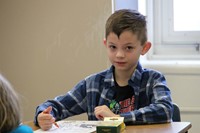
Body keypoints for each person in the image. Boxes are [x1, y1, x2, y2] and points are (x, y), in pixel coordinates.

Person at [34, 9, 173, 131]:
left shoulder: (153, 79)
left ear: (144, 48)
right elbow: (57, 105)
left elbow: (165, 110)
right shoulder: (92, 84)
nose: (119, 54)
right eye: (113, 47)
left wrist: (117, 118)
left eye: (128, 48)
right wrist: (43, 115)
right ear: (106, 44)